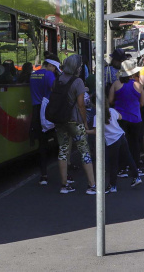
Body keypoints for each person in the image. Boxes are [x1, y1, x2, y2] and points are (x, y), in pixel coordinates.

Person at [51, 55, 96, 194]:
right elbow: (81, 105)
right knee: (84, 151)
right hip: (75, 121)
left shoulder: (57, 80)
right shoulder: (78, 82)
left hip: (60, 120)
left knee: (63, 150)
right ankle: (92, 185)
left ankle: (64, 185)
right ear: (77, 67)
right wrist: (85, 123)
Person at [88, 103, 142, 192]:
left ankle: (112, 185)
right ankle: (136, 176)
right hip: (121, 136)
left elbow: (95, 131)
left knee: (113, 163)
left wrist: (85, 131)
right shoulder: (112, 111)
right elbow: (120, 117)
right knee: (128, 157)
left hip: (112, 141)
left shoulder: (97, 116)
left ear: (94, 105)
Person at [108, 59, 144, 177]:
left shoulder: (116, 84)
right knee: (135, 143)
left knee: (121, 143)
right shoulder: (138, 85)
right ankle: (136, 167)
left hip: (120, 118)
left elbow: (110, 101)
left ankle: (122, 168)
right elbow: (142, 103)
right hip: (136, 118)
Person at [30, 59, 60, 186]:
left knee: (42, 144)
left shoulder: (33, 74)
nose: (55, 71)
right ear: (51, 65)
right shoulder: (49, 75)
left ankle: (43, 175)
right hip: (48, 110)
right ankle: (65, 174)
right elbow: (54, 90)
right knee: (60, 141)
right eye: (55, 68)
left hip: (36, 110)